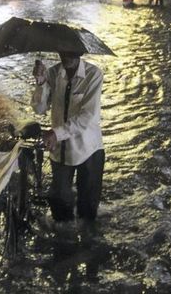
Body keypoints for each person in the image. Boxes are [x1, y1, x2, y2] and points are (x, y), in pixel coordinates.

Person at [31, 52, 105, 223]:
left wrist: (57, 133)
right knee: (59, 205)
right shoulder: (53, 73)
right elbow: (39, 109)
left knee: (87, 210)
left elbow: (88, 117)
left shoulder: (93, 74)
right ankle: (63, 241)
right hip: (60, 151)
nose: (67, 56)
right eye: (63, 51)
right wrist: (41, 81)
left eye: (72, 51)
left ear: (80, 52)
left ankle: (87, 241)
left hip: (89, 150)